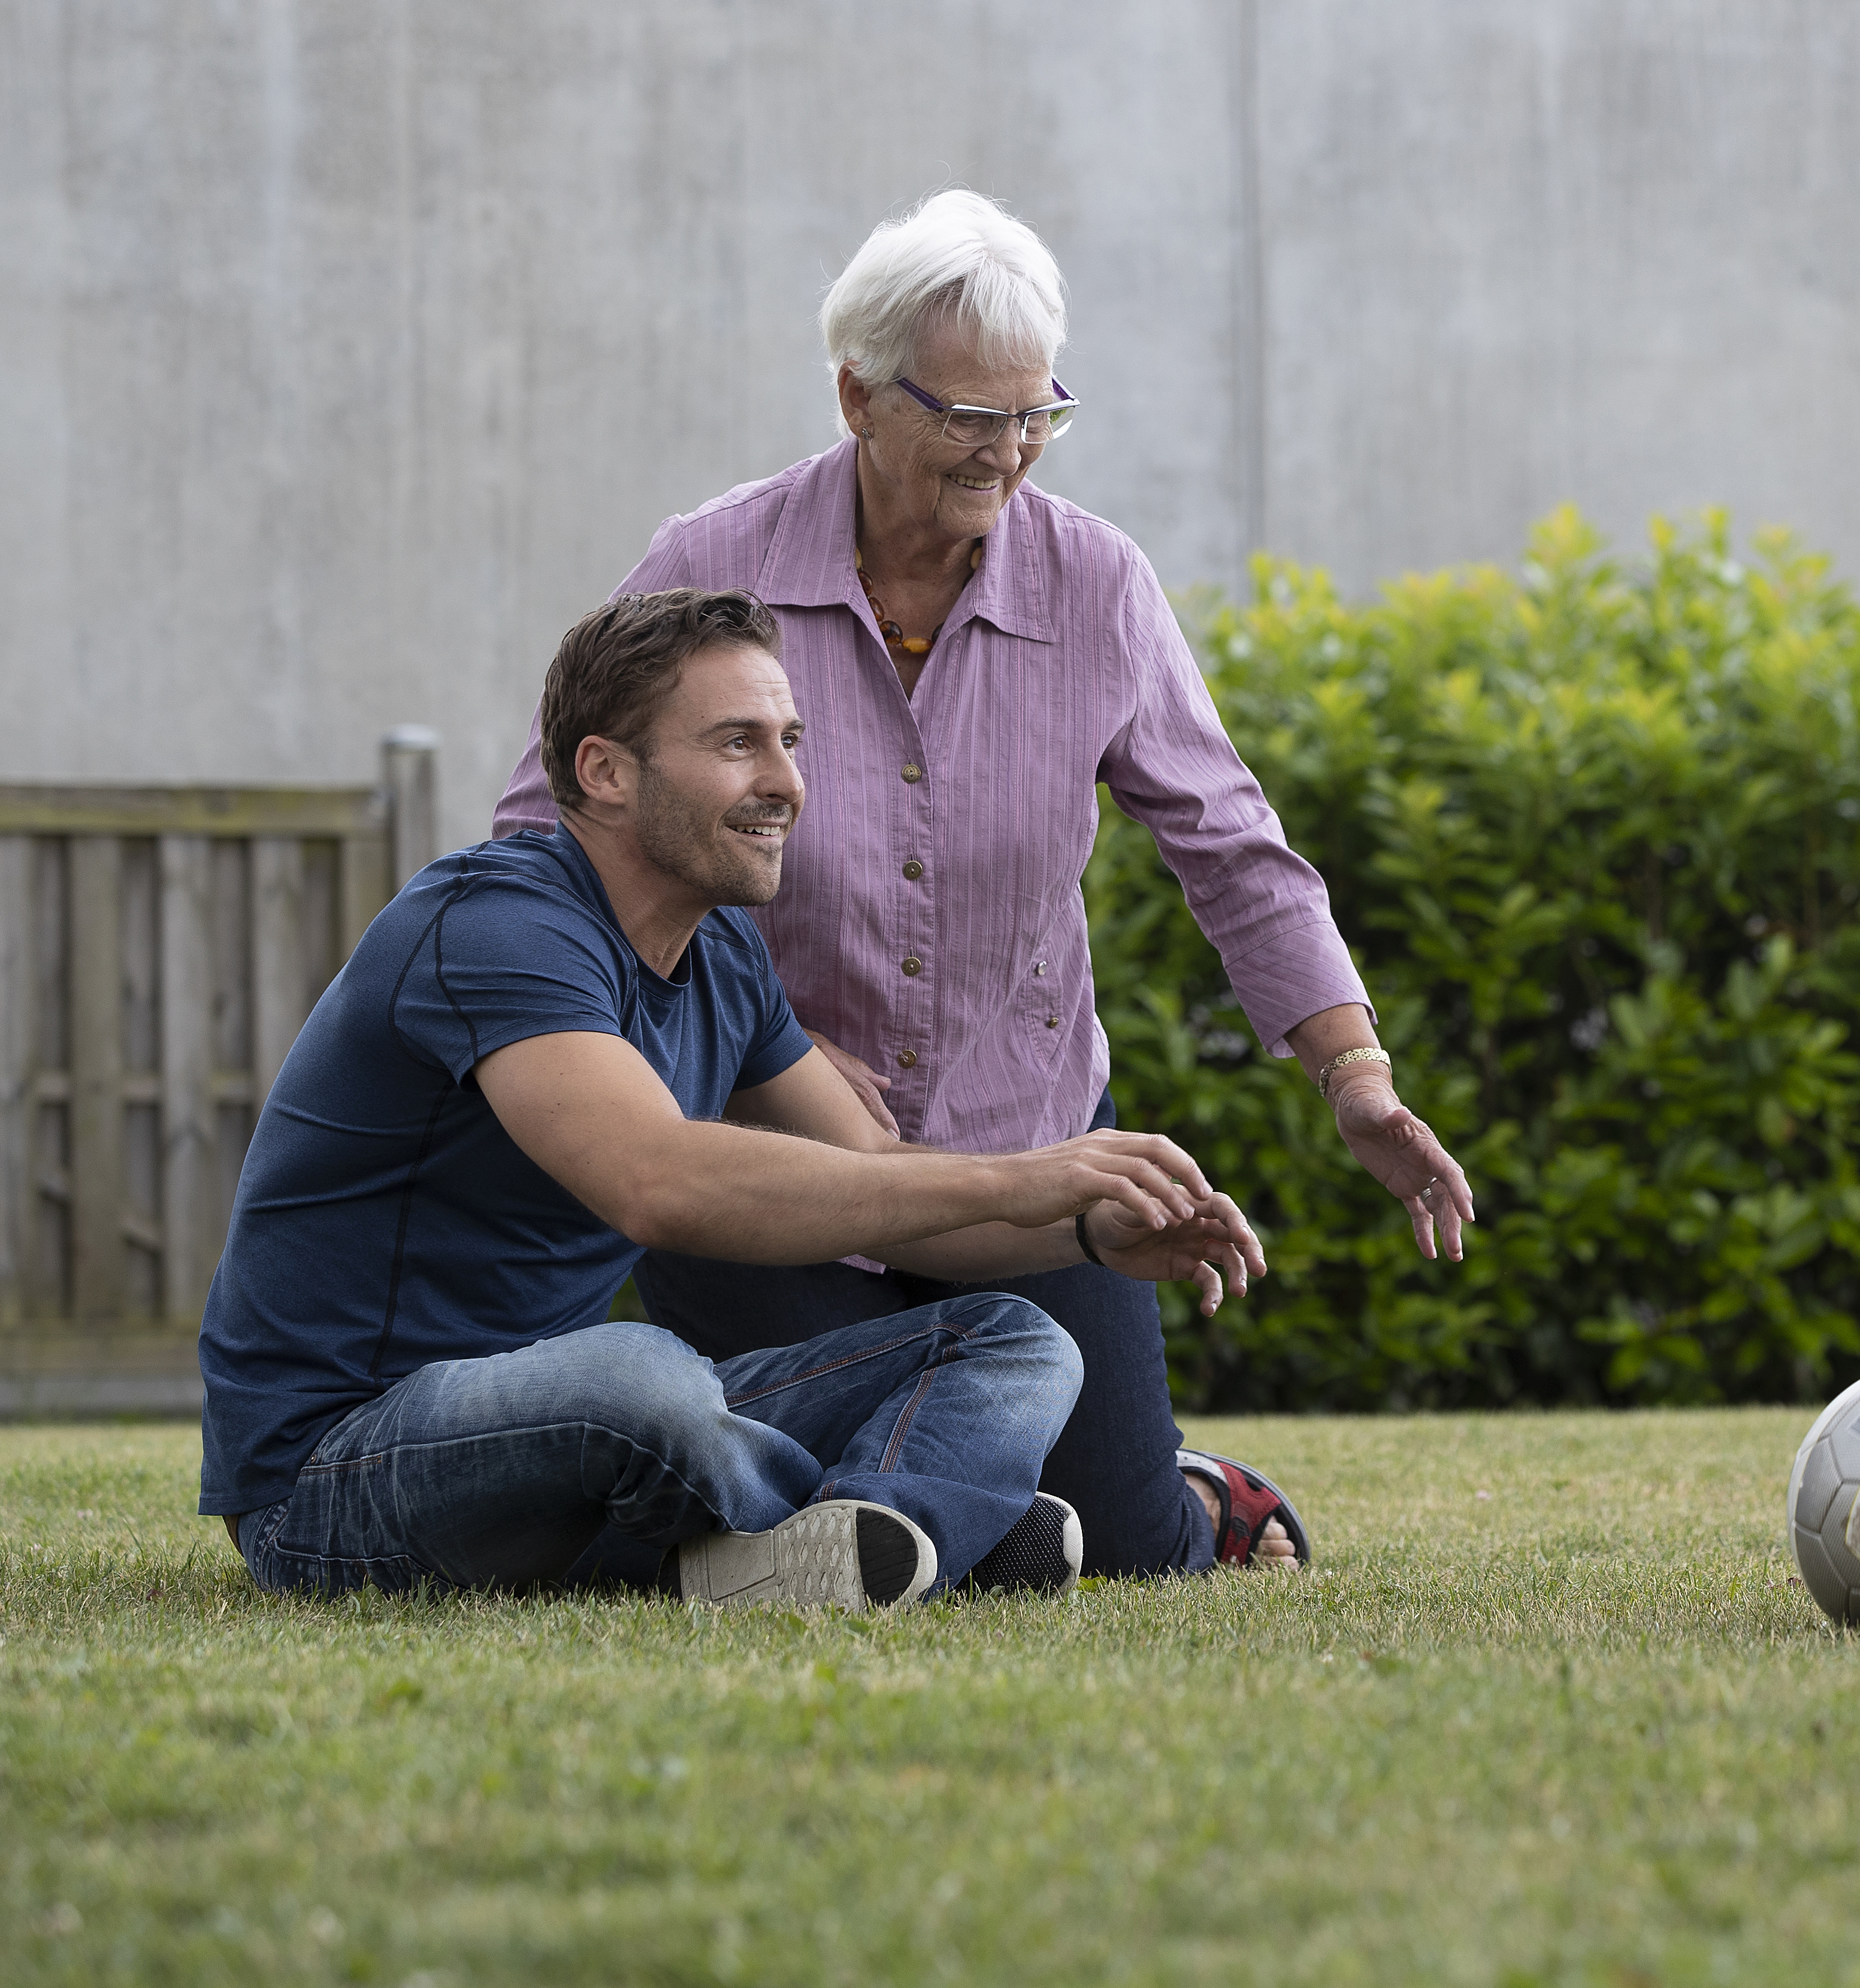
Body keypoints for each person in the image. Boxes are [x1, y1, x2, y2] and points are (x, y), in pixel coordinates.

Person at [495, 189, 1474, 1577]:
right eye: (966, 415)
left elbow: (1231, 847)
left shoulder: (1096, 587)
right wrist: (742, 1035)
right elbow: (551, 834)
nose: (1005, 455)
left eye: (1035, 416)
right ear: (858, 395)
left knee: (1131, 1553)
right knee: (792, 1498)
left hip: (1027, 1142)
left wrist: (1354, 1074)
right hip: (771, 1150)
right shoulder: (712, 567)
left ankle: (1179, 1496)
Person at [201, 589, 1266, 1608]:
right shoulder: (495, 926)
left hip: (571, 1447)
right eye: (736, 743)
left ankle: (848, 1540)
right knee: (640, 1380)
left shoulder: (723, 958)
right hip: (337, 1471)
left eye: (791, 740)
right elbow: (655, 1183)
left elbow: (884, 1180)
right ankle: (935, 1521)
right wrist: (1015, 1173)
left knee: (1015, 1339)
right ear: (605, 772)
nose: (787, 783)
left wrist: (1081, 1227)